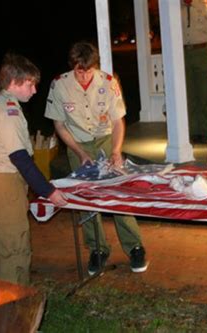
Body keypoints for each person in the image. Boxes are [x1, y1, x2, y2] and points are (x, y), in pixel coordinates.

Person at [44, 41, 148, 276]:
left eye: (88, 70)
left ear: (95, 66)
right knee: (85, 198)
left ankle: (135, 246)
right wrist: (80, 153)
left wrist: (116, 151)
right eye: (79, 71)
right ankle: (97, 249)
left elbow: (118, 121)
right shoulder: (60, 85)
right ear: (73, 67)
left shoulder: (108, 83)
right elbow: (59, 125)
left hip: (105, 139)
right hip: (77, 143)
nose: (83, 76)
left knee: (117, 192)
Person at [0, 53, 67, 286]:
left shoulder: (6, 105)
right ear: (14, 83)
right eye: (30, 84)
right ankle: (13, 301)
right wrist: (49, 191)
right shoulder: (7, 111)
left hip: (5, 180)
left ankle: (18, 294)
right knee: (13, 244)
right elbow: (20, 158)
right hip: (4, 182)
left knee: (15, 239)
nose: (34, 90)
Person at [181, 0, 207, 143]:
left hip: (203, 51)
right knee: (189, 95)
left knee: (204, 93)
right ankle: (192, 131)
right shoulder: (176, 7)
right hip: (183, 53)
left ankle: (205, 132)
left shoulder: (206, 5)